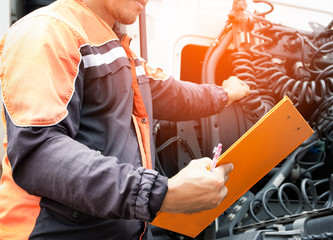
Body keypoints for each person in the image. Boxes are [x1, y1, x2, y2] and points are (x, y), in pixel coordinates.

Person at [0, 0, 250, 239]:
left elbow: (173, 94)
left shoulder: (115, 46)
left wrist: (225, 93)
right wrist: (161, 194)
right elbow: (39, 153)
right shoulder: (47, 31)